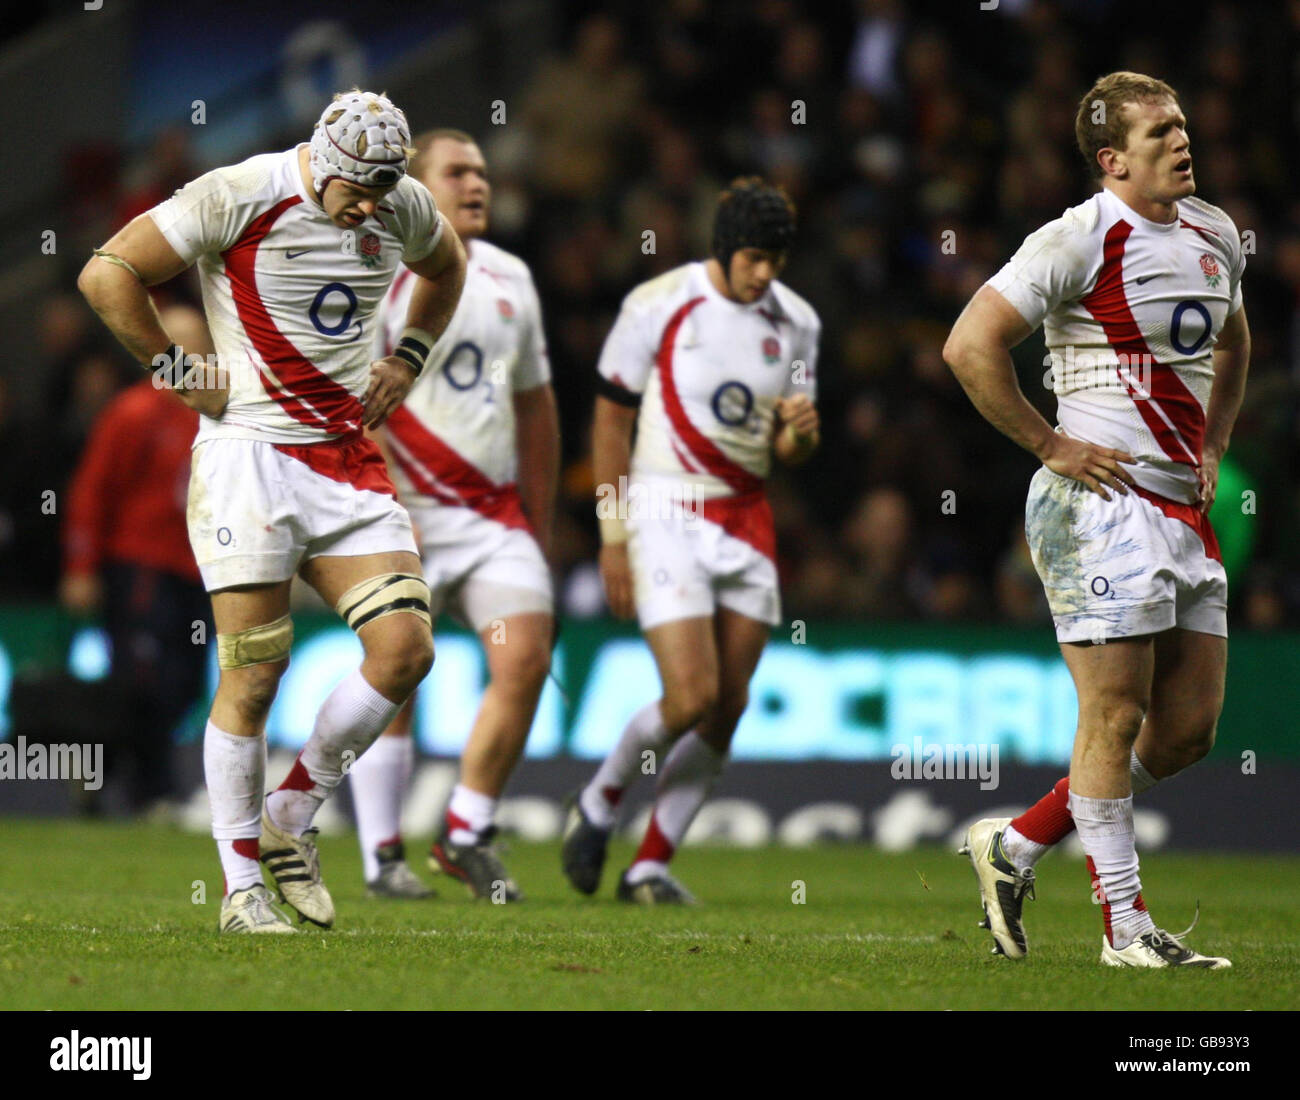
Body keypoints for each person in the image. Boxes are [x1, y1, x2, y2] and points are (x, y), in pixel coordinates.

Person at [77, 89, 467, 933]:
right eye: (357, 190)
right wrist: (177, 368)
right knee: (254, 677)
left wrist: (408, 355)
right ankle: (241, 888)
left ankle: (292, 816)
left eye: (382, 191)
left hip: (346, 459)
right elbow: (106, 271)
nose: (371, 208)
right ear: (323, 162)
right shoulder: (241, 191)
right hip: (250, 458)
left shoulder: (399, 202)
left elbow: (447, 267)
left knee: (405, 650)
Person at [943, 72, 1249, 968]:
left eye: (1184, 126)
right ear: (1113, 160)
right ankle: (1126, 932)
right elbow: (969, 345)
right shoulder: (1077, 237)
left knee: (1188, 730)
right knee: (1113, 716)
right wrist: (1051, 446)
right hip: (1098, 504)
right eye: (1160, 134)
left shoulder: (1217, 233)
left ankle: (1016, 844)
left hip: (1182, 505)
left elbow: (1234, 341)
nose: (1183, 143)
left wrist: (1217, 444)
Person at [561, 177, 820, 904]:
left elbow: (788, 444)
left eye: (777, 259)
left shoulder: (797, 324)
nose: (765, 273)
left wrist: (799, 436)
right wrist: (612, 537)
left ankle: (648, 866)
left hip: (747, 516)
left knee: (730, 704)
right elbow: (610, 420)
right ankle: (601, 798)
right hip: (662, 508)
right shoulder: (658, 303)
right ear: (724, 248)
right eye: (753, 258)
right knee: (689, 696)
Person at [347, 129, 559, 901]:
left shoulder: (513, 278)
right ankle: (381, 857)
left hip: (490, 514)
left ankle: (466, 828)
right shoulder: (375, 268)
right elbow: (350, 396)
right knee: (398, 677)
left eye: (482, 172)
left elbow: (534, 403)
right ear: (418, 187)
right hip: (399, 513)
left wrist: (540, 515)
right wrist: (368, 495)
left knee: (526, 657)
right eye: (457, 172)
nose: (477, 184)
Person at [59, 304, 213, 812]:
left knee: (187, 682)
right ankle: (155, 791)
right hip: (142, 567)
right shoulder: (135, 411)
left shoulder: (216, 411)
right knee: (145, 679)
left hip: (200, 570)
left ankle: (107, 771)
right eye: (179, 342)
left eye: (198, 342)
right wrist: (82, 568)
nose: (191, 353)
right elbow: (91, 493)